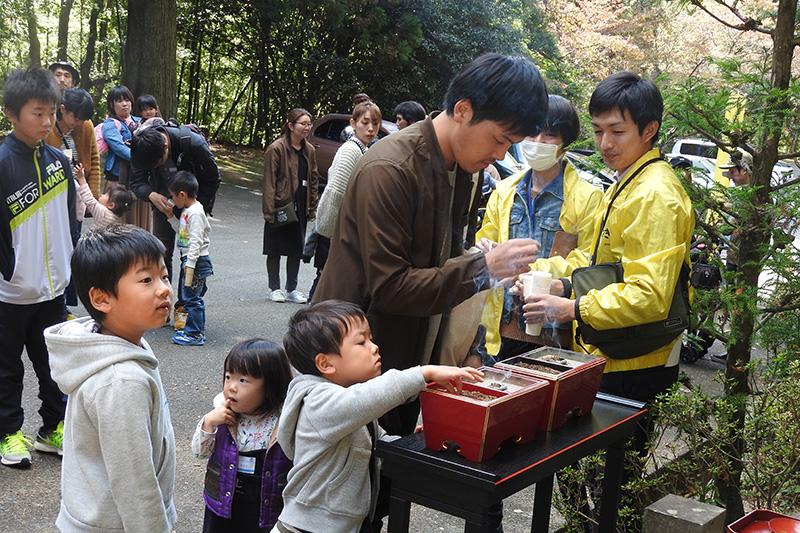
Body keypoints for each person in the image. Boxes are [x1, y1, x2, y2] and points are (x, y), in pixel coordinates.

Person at [313, 53, 547, 438]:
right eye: (500, 139)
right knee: (348, 490)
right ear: (463, 110)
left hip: (408, 367)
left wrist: (471, 342)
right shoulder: (392, 169)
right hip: (353, 367)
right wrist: (485, 268)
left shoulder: (465, 172)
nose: (502, 155)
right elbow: (390, 289)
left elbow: (449, 256)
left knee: (389, 489)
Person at [275, 300, 482, 533]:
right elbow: (368, 397)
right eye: (361, 342)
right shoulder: (318, 403)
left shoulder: (345, 402)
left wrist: (413, 443)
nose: (374, 347)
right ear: (326, 363)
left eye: (370, 338)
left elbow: (376, 444)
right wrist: (424, 373)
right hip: (308, 527)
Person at [44, 225, 177, 532]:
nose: (164, 289)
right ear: (102, 299)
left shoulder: (118, 343)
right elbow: (134, 481)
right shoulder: (120, 380)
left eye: (164, 275)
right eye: (146, 280)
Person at [476, 95, 603, 359]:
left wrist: (531, 271)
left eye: (549, 136)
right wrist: (485, 250)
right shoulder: (504, 192)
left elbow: (589, 262)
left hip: (556, 334)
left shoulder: (587, 197)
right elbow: (485, 238)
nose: (536, 143)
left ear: (565, 144)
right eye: (532, 134)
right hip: (500, 330)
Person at [0, 67, 77, 468]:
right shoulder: (1, 162)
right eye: (37, 113)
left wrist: (71, 269)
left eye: (51, 112)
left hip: (53, 290)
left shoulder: (58, 162)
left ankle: (53, 428)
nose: (47, 121)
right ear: (12, 114)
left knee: (54, 366)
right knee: (6, 368)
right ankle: (9, 433)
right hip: (9, 292)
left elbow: (70, 221)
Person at [192, 339, 293, 532]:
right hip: (222, 507)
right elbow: (199, 453)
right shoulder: (220, 415)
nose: (231, 387)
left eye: (243, 380)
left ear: (271, 385)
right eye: (228, 377)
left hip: (266, 508)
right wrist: (208, 423)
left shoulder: (284, 421)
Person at [129, 116, 221, 286]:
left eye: (157, 164)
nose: (155, 168)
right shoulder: (140, 148)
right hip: (162, 205)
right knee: (161, 253)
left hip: (193, 206)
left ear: (165, 146)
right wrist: (151, 195)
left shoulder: (193, 143)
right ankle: (162, 302)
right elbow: (136, 182)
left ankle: (186, 304)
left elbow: (213, 179)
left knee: (190, 255)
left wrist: (195, 207)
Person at [262, 108, 320, 305]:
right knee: (274, 247)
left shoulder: (309, 150)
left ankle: (291, 289)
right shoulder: (276, 148)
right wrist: (269, 211)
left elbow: (313, 179)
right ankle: (275, 288)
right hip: (280, 204)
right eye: (303, 124)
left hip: (300, 203)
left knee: (296, 247)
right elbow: (269, 181)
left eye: (308, 124)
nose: (306, 127)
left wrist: (312, 207)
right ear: (290, 126)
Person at [167, 171, 213, 346]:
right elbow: (182, 232)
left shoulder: (195, 213)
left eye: (172, 196)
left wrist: (190, 264)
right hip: (192, 261)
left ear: (182, 194)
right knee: (193, 295)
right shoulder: (188, 211)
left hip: (196, 261)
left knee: (192, 298)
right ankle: (193, 327)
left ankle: (194, 333)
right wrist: (170, 217)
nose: (172, 200)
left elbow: (196, 241)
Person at [45, 87, 101, 198]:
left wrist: (93, 195)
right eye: (76, 118)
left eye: (83, 119)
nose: (79, 123)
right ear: (62, 109)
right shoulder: (46, 126)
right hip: (53, 192)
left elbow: (94, 159)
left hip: (80, 191)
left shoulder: (86, 125)